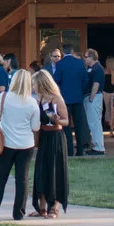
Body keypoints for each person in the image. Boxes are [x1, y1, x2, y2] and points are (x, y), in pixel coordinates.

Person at [0, 69, 40, 221]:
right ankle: (18, 213)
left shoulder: (3, 97)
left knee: (0, 179)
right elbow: (35, 127)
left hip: (6, 144)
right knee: (22, 180)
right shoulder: (32, 103)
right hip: (25, 144)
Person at [31, 69, 70, 216]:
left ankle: (54, 207)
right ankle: (41, 208)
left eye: (34, 84)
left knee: (55, 171)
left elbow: (66, 120)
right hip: (44, 138)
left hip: (56, 137)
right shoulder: (39, 99)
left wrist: (57, 119)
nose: (33, 87)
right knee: (42, 171)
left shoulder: (57, 98)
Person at [55, 46, 91, 157]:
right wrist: (81, 90)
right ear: (72, 51)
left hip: (65, 99)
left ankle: (69, 150)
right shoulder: (79, 63)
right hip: (78, 98)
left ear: (62, 52)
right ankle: (80, 150)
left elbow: (55, 80)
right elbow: (86, 79)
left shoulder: (60, 64)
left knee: (66, 125)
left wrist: (59, 92)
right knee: (79, 125)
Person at [83, 48, 107, 153]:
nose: (84, 59)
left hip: (94, 97)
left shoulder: (97, 68)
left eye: (86, 56)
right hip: (91, 97)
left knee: (95, 123)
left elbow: (96, 84)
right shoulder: (90, 68)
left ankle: (99, 147)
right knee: (92, 122)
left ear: (92, 57)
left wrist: (91, 98)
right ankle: (95, 144)